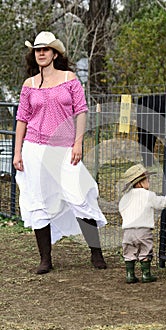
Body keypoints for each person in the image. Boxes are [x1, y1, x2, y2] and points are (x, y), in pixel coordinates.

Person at [13, 31, 107, 274]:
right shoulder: (29, 85)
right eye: (37, 50)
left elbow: (82, 111)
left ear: (55, 53)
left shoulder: (69, 78)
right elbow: (22, 120)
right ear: (34, 55)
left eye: (45, 49)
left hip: (64, 148)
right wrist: (17, 153)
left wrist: (78, 143)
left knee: (79, 194)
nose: (41, 53)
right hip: (34, 148)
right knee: (39, 200)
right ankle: (45, 259)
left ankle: (96, 252)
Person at [119, 163, 166, 284]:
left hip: (128, 231)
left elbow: (121, 209)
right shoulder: (149, 195)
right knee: (145, 250)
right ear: (139, 182)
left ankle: (130, 274)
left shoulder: (125, 197)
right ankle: (146, 274)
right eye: (147, 179)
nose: (149, 181)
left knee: (129, 251)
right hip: (144, 230)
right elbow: (161, 203)